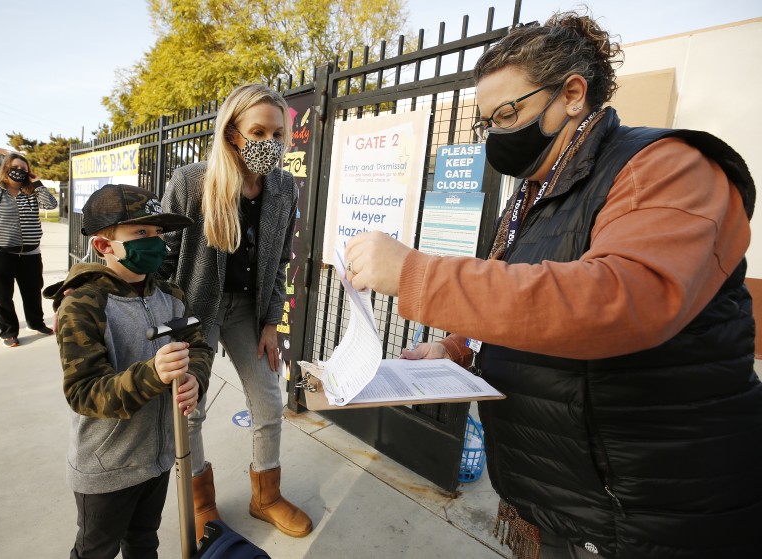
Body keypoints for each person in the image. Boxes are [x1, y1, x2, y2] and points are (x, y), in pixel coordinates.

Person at [344, 11, 761, 559]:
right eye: (486, 121)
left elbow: (617, 300)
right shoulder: (532, 196)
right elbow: (529, 297)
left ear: (571, 94)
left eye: (508, 113)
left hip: (648, 511)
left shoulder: (664, 166)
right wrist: (455, 349)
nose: (496, 133)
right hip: (564, 501)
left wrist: (414, 274)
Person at [158, 83, 311, 539]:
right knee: (191, 409)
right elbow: (164, 257)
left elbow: (283, 258)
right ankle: (201, 502)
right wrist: (169, 329)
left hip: (249, 309)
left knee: (268, 399)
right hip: (196, 311)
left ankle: (266, 496)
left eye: (278, 134)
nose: (269, 143)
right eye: (257, 131)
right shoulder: (192, 182)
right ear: (231, 133)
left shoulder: (283, 186)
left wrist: (270, 323)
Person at [46, 183, 213, 559]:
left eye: (157, 233)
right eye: (141, 233)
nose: (155, 243)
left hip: (158, 459)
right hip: (108, 468)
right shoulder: (84, 306)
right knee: (96, 550)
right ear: (104, 246)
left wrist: (194, 378)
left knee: (143, 541)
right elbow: (84, 392)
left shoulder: (171, 296)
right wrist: (153, 373)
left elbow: (199, 345)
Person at [0, 153, 58, 347]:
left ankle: (35, 323)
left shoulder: (31, 190)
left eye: (24, 169)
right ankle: (8, 331)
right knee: (2, 295)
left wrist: (38, 184)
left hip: (30, 252)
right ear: (7, 167)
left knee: (33, 291)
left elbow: (51, 205)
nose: (20, 171)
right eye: (16, 167)